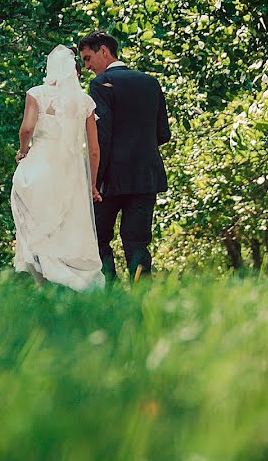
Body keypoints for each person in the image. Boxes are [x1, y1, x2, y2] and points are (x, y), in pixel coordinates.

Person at [10, 45, 105, 291]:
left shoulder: (36, 94)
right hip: (70, 171)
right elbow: (94, 150)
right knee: (67, 226)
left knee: (35, 222)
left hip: (39, 168)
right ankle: (67, 281)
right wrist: (92, 184)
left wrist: (23, 150)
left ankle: (43, 280)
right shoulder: (85, 102)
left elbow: (27, 129)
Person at [79, 31, 170, 281]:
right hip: (145, 176)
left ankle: (109, 292)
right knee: (138, 241)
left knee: (98, 239)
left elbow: (102, 136)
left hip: (110, 179)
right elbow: (163, 133)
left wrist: (94, 182)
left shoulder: (99, 85)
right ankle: (141, 294)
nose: (87, 67)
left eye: (88, 59)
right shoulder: (150, 82)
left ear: (104, 51)